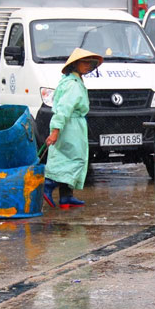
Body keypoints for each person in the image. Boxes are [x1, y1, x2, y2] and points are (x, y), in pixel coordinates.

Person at [43, 48, 103, 209]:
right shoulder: (73, 85)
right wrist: (55, 131)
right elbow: (64, 108)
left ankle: (66, 196)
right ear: (75, 64)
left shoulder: (71, 80)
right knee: (74, 160)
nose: (88, 66)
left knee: (66, 157)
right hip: (70, 125)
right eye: (84, 62)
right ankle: (48, 185)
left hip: (71, 124)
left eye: (90, 63)